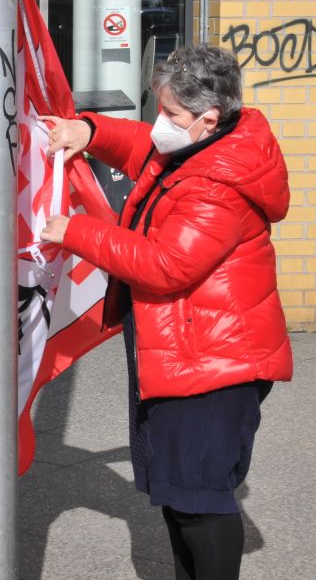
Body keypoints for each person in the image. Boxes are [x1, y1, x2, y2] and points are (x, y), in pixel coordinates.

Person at [40, 43, 293, 580]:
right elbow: (142, 150)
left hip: (214, 363)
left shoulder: (217, 183)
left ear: (208, 118)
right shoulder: (202, 146)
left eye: (172, 115)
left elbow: (166, 265)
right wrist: (89, 131)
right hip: (190, 351)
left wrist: (77, 231)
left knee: (200, 502)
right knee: (181, 495)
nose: (160, 125)